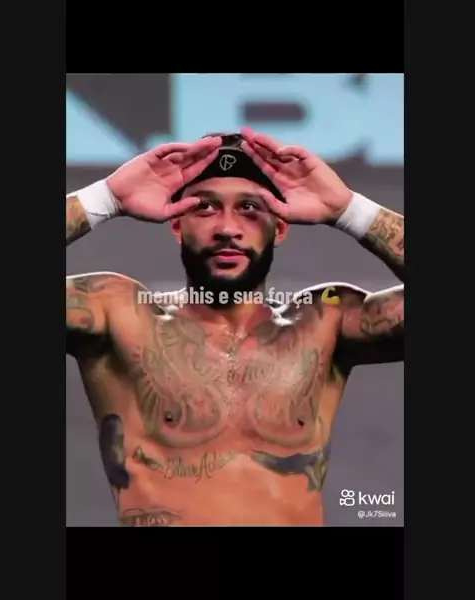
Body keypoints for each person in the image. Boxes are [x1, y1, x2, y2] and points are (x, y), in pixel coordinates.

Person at [66, 128, 404, 526]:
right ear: (176, 225)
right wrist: (106, 199)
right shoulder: (117, 314)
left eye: (249, 207)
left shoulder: (325, 321)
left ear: (280, 227)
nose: (227, 227)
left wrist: (348, 210)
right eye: (205, 208)